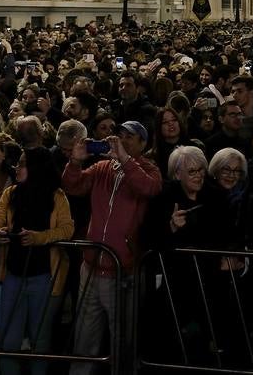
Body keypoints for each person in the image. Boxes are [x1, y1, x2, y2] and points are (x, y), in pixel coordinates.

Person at [62, 121, 162, 375]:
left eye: (131, 137)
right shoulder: (102, 167)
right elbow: (73, 186)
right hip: (91, 266)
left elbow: (150, 188)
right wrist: (75, 162)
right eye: (120, 135)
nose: (123, 140)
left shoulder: (148, 169)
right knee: (84, 338)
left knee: (122, 341)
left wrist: (126, 161)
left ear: (143, 144)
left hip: (122, 270)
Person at [0, 146, 74, 375]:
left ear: (36, 168)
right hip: (14, 273)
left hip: (44, 276)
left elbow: (67, 229)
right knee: (9, 339)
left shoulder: (57, 196)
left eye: (23, 163)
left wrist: (40, 238)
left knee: (40, 340)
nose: (17, 167)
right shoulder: (11, 193)